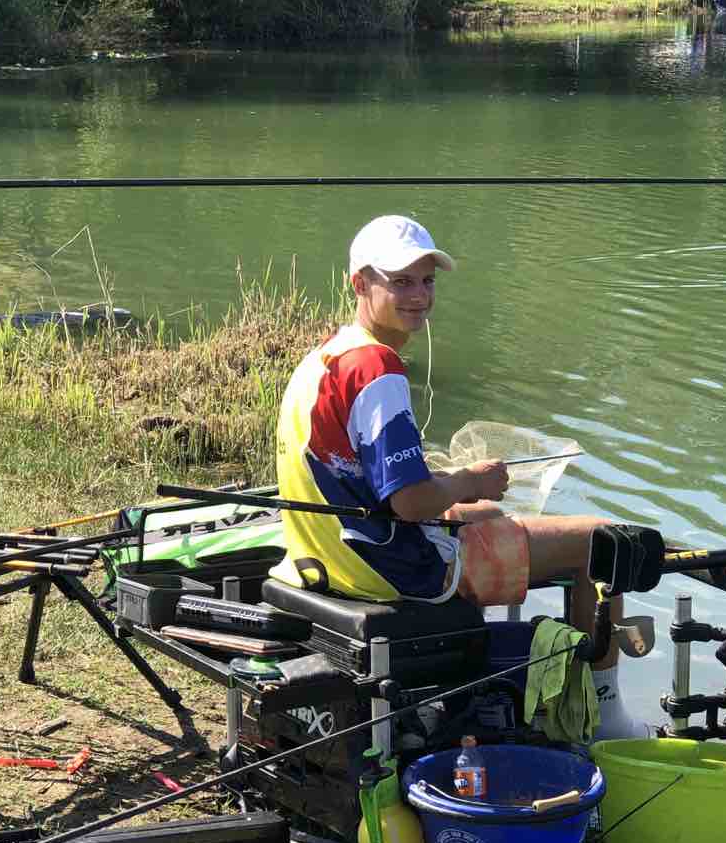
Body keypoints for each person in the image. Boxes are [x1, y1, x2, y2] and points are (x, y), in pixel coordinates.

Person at [270, 213, 645, 739]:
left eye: (427, 281)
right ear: (360, 283)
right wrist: (470, 480)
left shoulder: (324, 358)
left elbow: (359, 472)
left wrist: (462, 489)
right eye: (401, 281)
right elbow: (410, 502)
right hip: (385, 571)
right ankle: (604, 717)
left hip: (326, 556)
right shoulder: (378, 370)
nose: (419, 296)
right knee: (602, 541)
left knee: (486, 513)